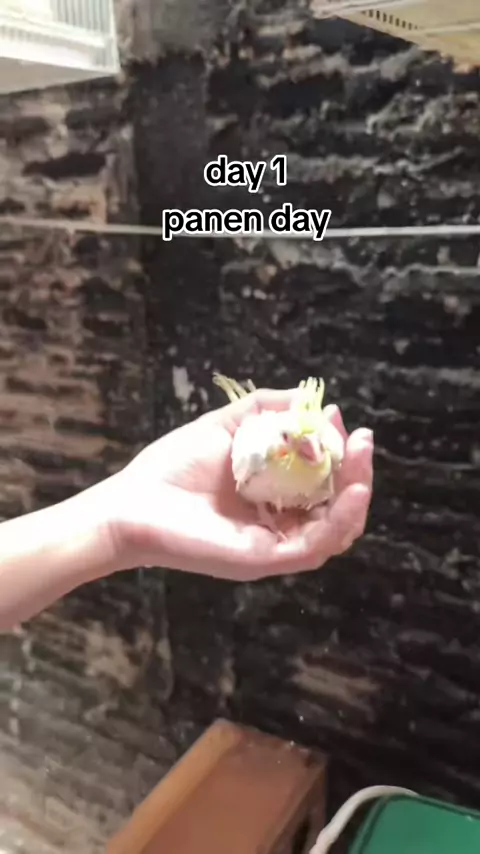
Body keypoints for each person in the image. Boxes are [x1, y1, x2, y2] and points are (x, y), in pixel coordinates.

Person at [0, 387, 373, 632]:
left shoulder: (322, 458)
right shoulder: (256, 453)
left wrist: (118, 524)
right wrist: (116, 525)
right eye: (291, 440)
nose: (308, 450)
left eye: (313, 447)